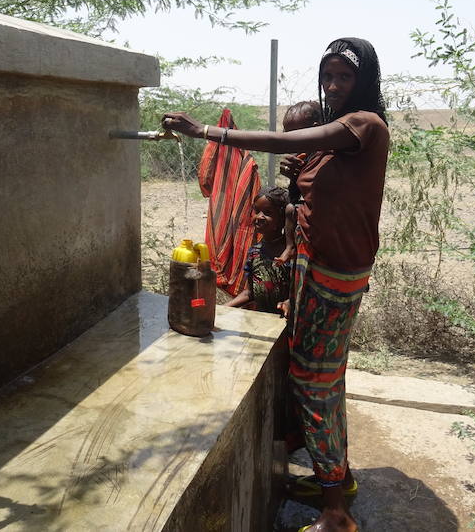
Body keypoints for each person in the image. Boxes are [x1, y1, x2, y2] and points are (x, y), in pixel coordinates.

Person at [163, 37, 389, 532]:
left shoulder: (364, 124)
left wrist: (208, 132)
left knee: (315, 382)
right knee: (319, 376)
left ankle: (336, 514)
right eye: (327, 75)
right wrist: (300, 178)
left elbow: (285, 141)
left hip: (335, 274)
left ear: (364, 80)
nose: (333, 85)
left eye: (343, 77)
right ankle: (338, 479)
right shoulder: (335, 140)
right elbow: (316, 194)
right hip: (312, 267)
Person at [223, 187, 292, 314]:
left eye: (268, 212)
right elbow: (249, 293)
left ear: (282, 219)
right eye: (256, 211)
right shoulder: (255, 253)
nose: (259, 216)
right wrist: (223, 308)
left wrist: (289, 303)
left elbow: (302, 293)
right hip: (262, 322)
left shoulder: (291, 255)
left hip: (288, 324)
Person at [276, 101, 323, 269]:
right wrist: (294, 177)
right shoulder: (302, 156)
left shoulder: (327, 156)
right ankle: (289, 248)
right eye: (287, 136)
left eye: (296, 136)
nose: (292, 142)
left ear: (316, 128)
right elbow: (295, 195)